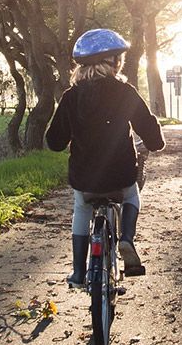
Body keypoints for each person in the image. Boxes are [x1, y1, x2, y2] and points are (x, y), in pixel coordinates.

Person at [46, 28, 165, 287]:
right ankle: (127, 240)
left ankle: (78, 272)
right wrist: (154, 140)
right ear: (114, 62)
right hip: (120, 176)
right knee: (132, 196)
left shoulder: (71, 97)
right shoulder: (125, 92)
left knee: (81, 207)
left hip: (85, 179)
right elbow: (151, 134)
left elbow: (54, 142)